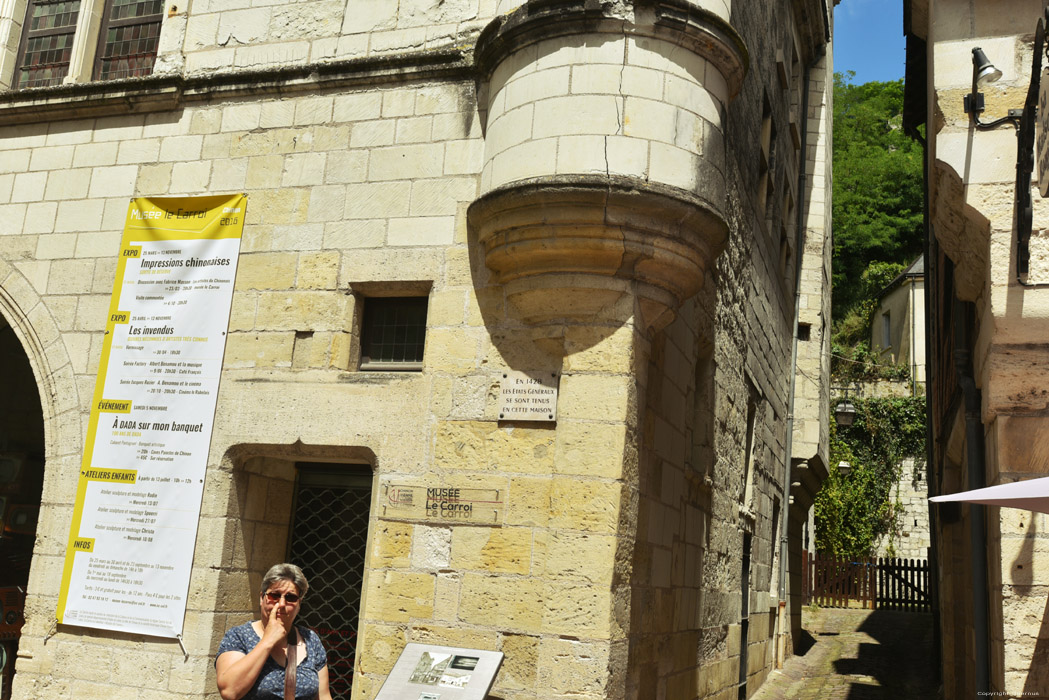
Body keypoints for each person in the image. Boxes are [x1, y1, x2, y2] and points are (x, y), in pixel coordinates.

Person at [216, 563, 333, 700]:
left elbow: (324, 696)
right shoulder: (239, 637)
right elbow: (229, 691)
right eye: (274, 596)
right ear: (262, 598)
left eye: (290, 598)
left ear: (299, 604)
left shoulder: (310, 639)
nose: (281, 604)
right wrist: (268, 640)